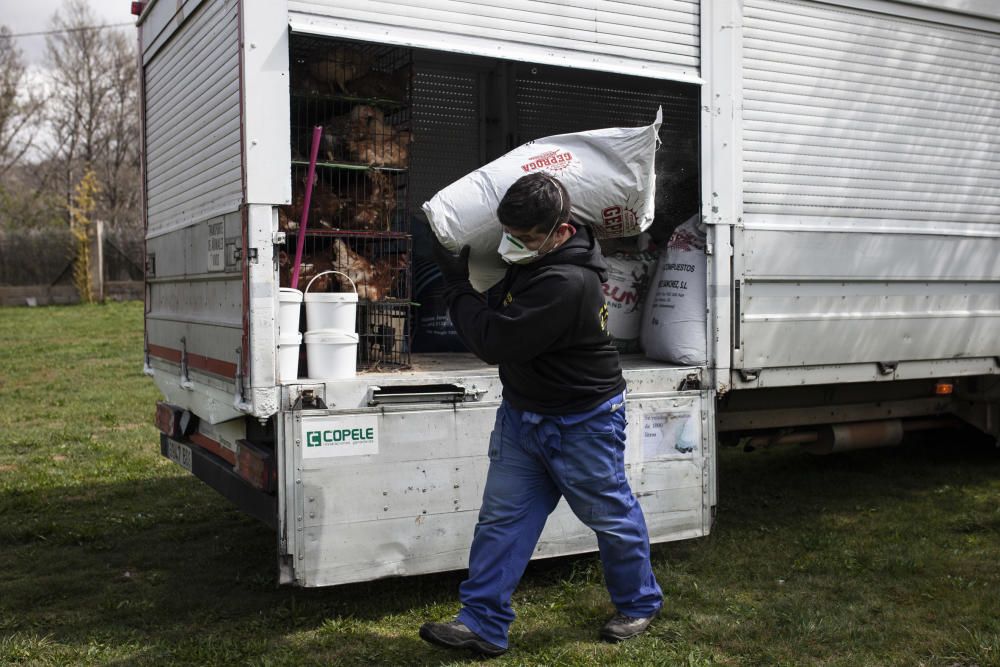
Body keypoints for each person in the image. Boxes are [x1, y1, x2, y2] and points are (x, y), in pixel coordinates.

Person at [419, 173, 663, 658]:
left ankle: (639, 603)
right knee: (501, 521)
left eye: (526, 238)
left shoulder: (567, 282)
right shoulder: (536, 260)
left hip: (582, 423)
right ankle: (482, 624)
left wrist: (454, 285)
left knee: (610, 516)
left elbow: (493, 341)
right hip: (524, 415)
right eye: (510, 234)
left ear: (561, 230)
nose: (514, 245)